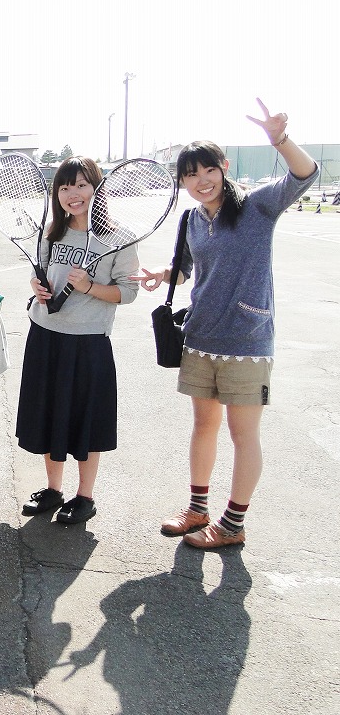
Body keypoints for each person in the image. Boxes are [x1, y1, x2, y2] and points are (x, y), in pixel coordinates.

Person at [135, 99, 318, 549]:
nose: (202, 181)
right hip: (200, 338)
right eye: (191, 175)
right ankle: (197, 509)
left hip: (247, 339)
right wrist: (166, 275)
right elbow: (189, 269)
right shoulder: (193, 221)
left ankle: (233, 525)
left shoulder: (257, 207)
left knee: (243, 433)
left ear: (224, 167)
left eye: (208, 170)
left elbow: (305, 175)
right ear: (182, 182)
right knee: (203, 426)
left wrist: (279, 138)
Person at [16, 157, 139, 524]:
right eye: (65, 186)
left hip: (88, 342)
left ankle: (84, 497)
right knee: (48, 416)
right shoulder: (51, 232)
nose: (73, 194)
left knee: (85, 421)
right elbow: (40, 275)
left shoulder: (118, 237)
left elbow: (128, 293)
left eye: (82, 184)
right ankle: (53, 491)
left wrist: (90, 287)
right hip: (45, 335)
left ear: (97, 188)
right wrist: (37, 288)